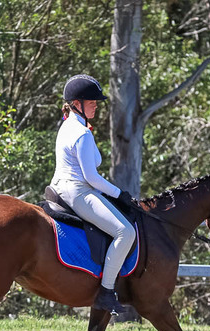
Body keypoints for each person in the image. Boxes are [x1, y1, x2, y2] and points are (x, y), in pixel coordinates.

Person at [50, 74, 136, 315]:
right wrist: (121, 194)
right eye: (92, 102)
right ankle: (106, 291)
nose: (96, 105)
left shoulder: (69, 125)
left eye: (96, 102)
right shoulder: (82, 133)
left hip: (60, 186)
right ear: (77, 104)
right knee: (125, 231)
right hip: (77, 191)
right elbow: (92, 178)